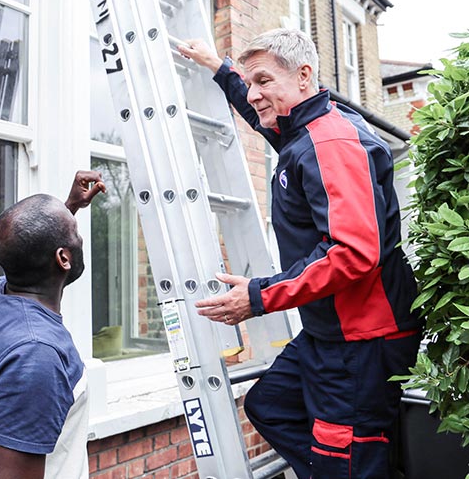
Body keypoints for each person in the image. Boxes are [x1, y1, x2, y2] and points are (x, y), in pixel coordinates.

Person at [178, 29, 422, 478]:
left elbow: (351, 253)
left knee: (345, 457)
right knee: (270, 404)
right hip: (332, 330)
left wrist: (258, 296)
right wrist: (219, 68)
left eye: (264, 82)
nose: (253, 95)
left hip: (363, 339)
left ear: (304, 76)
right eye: (250, 84)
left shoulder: (330, 144)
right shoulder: (303, 131)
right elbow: (262, 115)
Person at [0, 171, 106, 479]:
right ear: (63, 258)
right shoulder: (35, 357)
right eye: (76, 233)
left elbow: (27, 251)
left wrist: (68, 208)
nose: (80, 237)